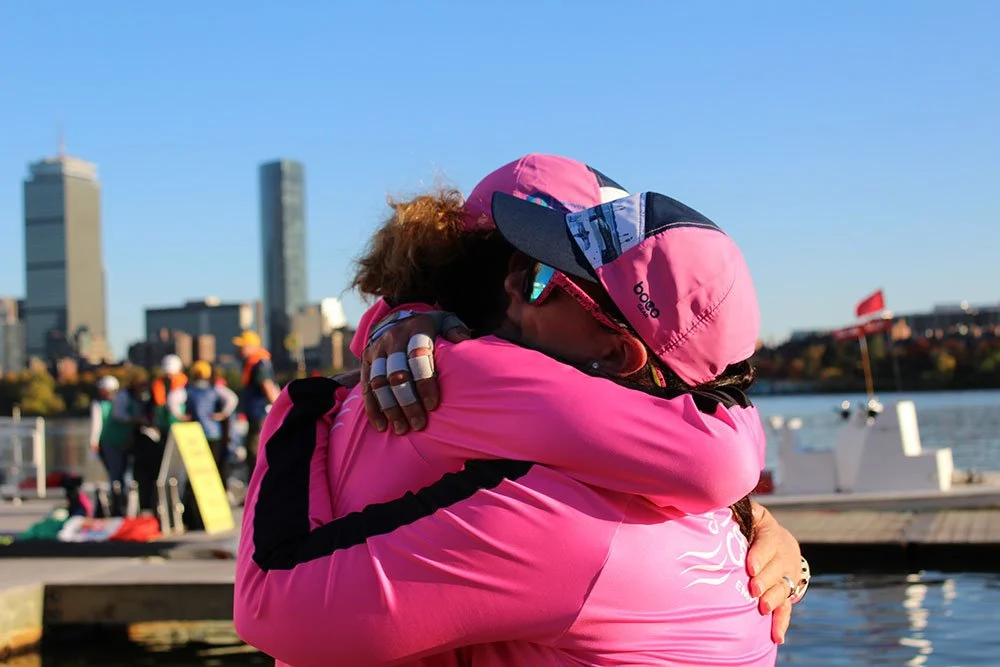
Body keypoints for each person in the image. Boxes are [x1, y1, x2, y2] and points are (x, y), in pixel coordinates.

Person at [236, 157, 804, 665]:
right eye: (520, 259)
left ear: (618, 352)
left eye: (540, 279)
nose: (511, 285)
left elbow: (269, 604)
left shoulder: (465, 403)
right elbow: (714, 452)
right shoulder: (672, 484)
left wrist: (302, 405)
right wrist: (749, 507)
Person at [133, 355, 187, 512]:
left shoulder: (185, 386)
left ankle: (182, 501)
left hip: (182, 432)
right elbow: (151, 408)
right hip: (162, 432)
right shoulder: (157, 385)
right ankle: (159, 503)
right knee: (161, 467)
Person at [232, 330, 279, 477]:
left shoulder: (258, 363)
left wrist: (280, 409)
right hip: (256, 416)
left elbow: (268, 386)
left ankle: (258, 489)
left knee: (255, 450)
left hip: (260, 416)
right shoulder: (253, 362)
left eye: (242, 346)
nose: (239, 349)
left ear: (252, 346)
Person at [88, 375, 133, 516]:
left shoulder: (99, 404)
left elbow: (96, 425)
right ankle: (125, 504)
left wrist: (93, 442)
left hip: (110, 441)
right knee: (124, 473)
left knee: (114, 474)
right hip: (124, 440)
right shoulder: (124, 401)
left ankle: (119, 504)